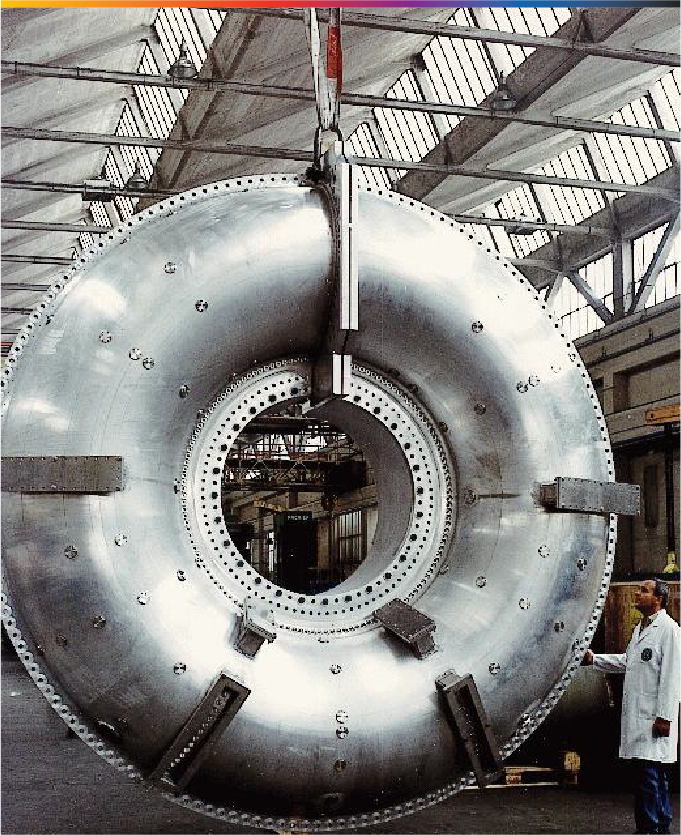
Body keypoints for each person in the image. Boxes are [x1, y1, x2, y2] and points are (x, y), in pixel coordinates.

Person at [584, 578, 681, 835]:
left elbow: (672, 677)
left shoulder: (668, 630)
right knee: (651, 777)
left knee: (651, 778)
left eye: (644, 591)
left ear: (658, 599)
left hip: (654, 718)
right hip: (640, 718)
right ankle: (658, 828)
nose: (637, 594)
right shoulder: (641, 628)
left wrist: (666, 717)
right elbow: (628, 662)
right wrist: (595, 659)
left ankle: (650, 829)